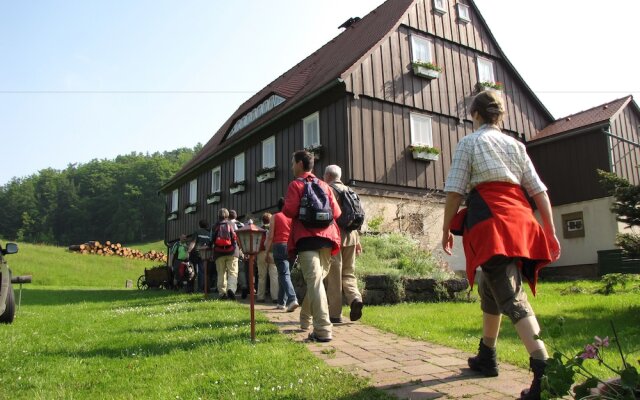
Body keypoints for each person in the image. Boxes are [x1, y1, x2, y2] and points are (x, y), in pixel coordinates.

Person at [441, 90, 561, 400]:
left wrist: (445, 230)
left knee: (510, 293)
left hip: (492, 223)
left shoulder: (470, 142)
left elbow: (455, 191)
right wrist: (549, 230)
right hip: (521, 221)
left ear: (476, 115)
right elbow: (539, 192)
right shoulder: (516, 145)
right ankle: (487, 355)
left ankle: (544, 372)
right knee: (489, 286)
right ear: (501, 116)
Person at [283, 150, 342, 342]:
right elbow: (337, 213)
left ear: (300, 164)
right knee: (316, 282)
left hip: (306, 238)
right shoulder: (324, 185)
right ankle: (305, 318)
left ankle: (323, 330)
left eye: (293, 163)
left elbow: (289, 211)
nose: (292, 166)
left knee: (314, 282)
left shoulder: (296, 185)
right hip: (327, 237)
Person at [323, 164, 364, 323]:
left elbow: (327, 216)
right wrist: (358, 241)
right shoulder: (350, 191)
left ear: (327, 176)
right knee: (348, 273)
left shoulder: (328, 190)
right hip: (352, 237)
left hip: (335, 237)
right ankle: (355, 298)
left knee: (334, 277)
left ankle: (335, 314)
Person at [264, 197, 299, 312]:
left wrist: (267, 252)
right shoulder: (293, 217)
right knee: (285, 275)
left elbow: (270, 236)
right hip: (292, 246)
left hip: (279, 246)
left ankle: (292, 299)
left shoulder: (275, 216)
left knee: (284, 275)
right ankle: (281, 302)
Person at [212, 208, 239, 301]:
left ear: (218, 216)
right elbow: (236, 237)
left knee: (221, 273)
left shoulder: (215, 226)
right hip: (232, 252)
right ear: (228, 215)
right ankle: (231, 288)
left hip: (219, 252)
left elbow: (212, 239)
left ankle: (222, 293)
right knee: (232, 272)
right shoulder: (232, 224)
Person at [256, 212, 278, 303]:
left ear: (262, 220)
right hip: (272, 252)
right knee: (274, 275)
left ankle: (260, 297)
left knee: (261, 275)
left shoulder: (259, 229)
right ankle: (275, 297)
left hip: (261, 252)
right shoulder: (273, 228)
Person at [229, 209, 248, 299]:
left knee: (229, 270)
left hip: (228, 249)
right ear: (236, 216)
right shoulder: (241, 224)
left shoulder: (226, 224)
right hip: (240, 249)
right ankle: (244, 286)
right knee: (241, 270)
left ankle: (230, 289)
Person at [189, 219, 212, 292]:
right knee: (205, 271)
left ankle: (198, 288)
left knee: (195, 271)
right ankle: (206, 288)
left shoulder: (197, 232)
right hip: (206, 254)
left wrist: (188, 251)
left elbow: (193, 243)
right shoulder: (209, 234)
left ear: (199, 225)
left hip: (197, 254)